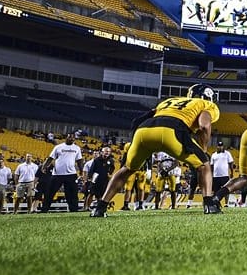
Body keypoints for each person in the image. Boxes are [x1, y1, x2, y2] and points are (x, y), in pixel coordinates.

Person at [91, 83, 222, 217]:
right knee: (204, 164)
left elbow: (146, 116)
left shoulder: (170, 100)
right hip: (171, 130)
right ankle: (209, 205)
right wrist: (203, 149)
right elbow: (204, 126)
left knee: (127, 169)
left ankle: (100, 207)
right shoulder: (206, 105)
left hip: (144, 130)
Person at [41, 133, 84, 213]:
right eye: (70, 138)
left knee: (72, 194)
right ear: (66, 138)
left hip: (71, 174)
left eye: (73, 138)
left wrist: (81, 170)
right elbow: (50, 158)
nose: (71, 139)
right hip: (57, 174)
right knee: (50, 193)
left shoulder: (77, 148)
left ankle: (74, 210)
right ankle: (44, 209)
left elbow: (79, 160)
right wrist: (44, 166)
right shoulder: (58, 147)